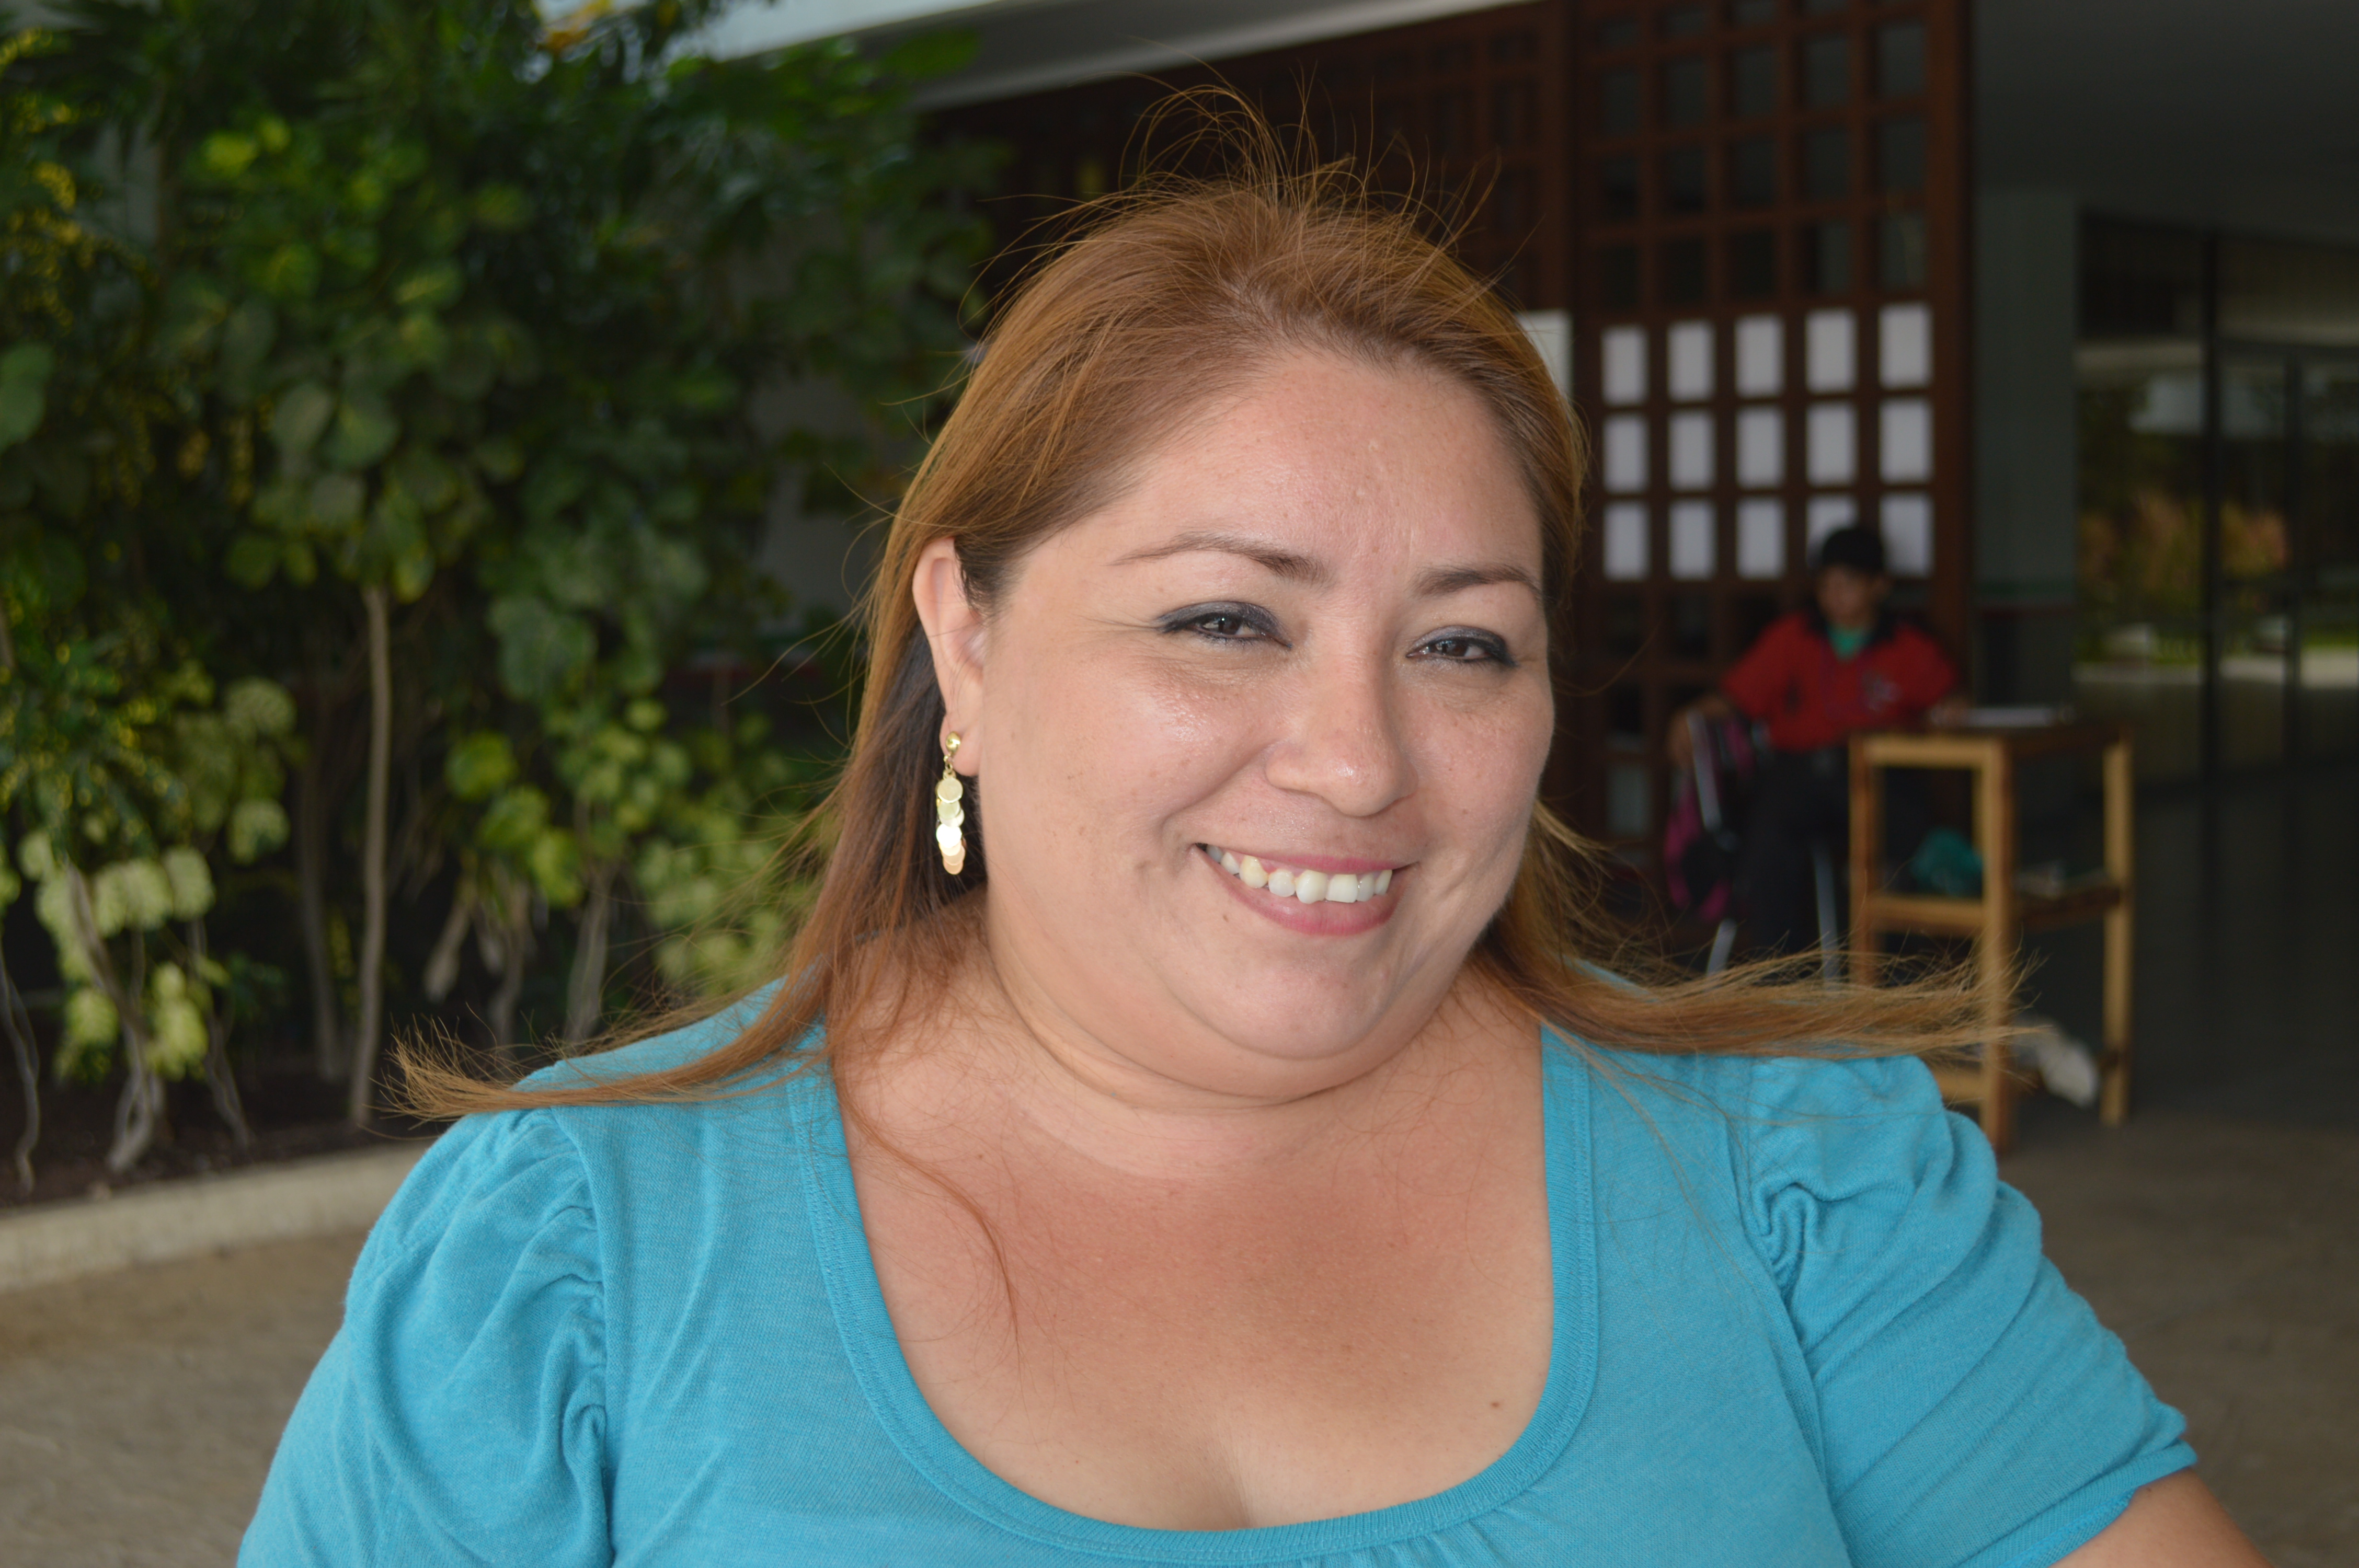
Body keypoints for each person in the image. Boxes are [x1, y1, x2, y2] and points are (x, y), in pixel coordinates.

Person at [241, 149, 2262, 1567]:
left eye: (1464, 644)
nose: (1360, 761)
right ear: (963, 640)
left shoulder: (1809, 1182)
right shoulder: (570, 1251)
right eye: (1225, 618)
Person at [1672, 524, 1964, 954]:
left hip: (1875, 777)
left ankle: (1898, 965)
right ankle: (1781, 970)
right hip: (1797, 776)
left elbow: (1951, 700)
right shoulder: (1793, 637)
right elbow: (1735, 697)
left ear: (1880, 586)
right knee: (1768, 843)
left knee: (1908, 837)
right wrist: (1690, 715)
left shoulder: (1908, 647)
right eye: (1826, 585)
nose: (1834, 596)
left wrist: (1953, 710)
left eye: (1848, 584)